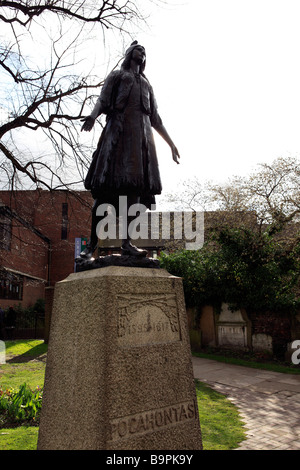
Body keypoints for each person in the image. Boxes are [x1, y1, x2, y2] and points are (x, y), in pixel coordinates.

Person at [80, 41, 180, 259]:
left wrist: (171, 143)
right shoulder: (117, 76)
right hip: (117, 139)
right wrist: (92, 116)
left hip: (140, 145)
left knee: (134, 195)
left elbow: (155, 118)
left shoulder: (147, 84)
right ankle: (90, 247)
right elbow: (102, 100)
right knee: (104, 194)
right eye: (138, 49)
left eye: (145, 51)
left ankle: (127, 243)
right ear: (129, 54)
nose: (142, 52)